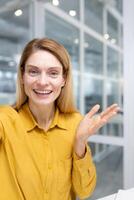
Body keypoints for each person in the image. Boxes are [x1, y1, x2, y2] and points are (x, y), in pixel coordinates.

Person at [0, 38, 119, 200]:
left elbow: (84, 191)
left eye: (53, 73)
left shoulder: (75, 123)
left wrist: (80, 143)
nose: (42, 82)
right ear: (22, 76)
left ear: (63, 79)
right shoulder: (5, 120)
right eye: (33, 71)